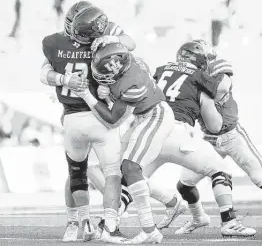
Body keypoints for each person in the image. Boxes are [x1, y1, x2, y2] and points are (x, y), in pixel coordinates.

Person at [72, 40, 255, 243]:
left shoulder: (158, 70)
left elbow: (126, 100)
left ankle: (109, 223)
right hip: (175, 132)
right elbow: (215, 124)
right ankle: (228, 221)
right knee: (220, 170)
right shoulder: (199, 78)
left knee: (129, 178)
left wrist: (102, 93)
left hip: (145, 127)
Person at [40, 0, 136, 243]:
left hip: (74, 116)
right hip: (100, 116)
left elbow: (44, 74)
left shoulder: (54, 42)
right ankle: (109, 226)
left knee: (75, 174)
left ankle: (78, 222)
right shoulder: (96, 34)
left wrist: (62, 79)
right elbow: (130, 45)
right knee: (111, 173)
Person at [174, 50, 262, 235]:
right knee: (185, 184)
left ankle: (228, 222)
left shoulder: (214, 69)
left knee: (258, 176)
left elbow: (224, 85)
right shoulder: (189, 81)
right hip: (209, 140)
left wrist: (200, 87)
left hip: (232, 136)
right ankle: (198, 218)